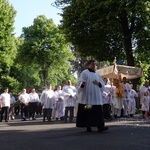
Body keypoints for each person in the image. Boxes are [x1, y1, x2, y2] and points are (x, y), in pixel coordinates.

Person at [76, 60, 108, 132]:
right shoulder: (84, 73)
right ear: (88, 65)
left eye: (95, 64)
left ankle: (100, 127)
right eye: (92, 64)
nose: (94, 65)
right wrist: (83, 83)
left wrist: (98, 83)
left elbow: (102, 84)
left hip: (96, 97)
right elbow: (80, 83)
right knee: (88, 112)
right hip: (87, 97)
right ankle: (88, 126)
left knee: (97, 112)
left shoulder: (97, 74)